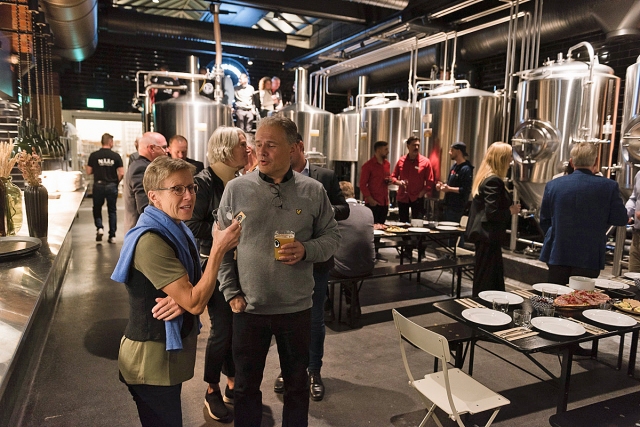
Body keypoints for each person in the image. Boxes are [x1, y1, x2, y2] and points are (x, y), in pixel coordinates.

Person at [217, 116, 340, 427]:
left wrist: (306, 250)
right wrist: (231, 292)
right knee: (245, 388)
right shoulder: (236, 189)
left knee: (297, 387)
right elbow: (222, 247)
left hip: (296, 310)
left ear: (293, 148)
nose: (261, 151)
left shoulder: (313, 191)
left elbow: (332, 237)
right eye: (258, 144)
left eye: (270, 145)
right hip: (249, 309)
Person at [111, 155, 242, 427]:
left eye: (191, 187)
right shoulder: (150, 240)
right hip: (150, 363)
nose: (189, 196)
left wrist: (183, 298)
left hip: (165, 359)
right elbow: (196, 302)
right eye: (177, 189)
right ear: (154, 196)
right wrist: (218, 249)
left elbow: (192, 291)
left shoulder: (177, 229)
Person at [272, 133, 349, 401]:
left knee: (314, 320)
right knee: (286, 321)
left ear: (298, 147)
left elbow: (344, 209)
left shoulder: (324, 177)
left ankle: (313, 370)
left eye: (284, 149)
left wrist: (319, 210)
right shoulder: (276, 177)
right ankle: (288, 370)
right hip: (285, 260)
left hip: (316, 261)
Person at [185, 126, 248, 423]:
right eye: (242, 144)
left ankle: (232, 383)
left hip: (237, 264)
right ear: (225, 149)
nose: (248, 149)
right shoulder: (203, 183)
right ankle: (212, 389)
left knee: (235, 329)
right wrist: (221, 233)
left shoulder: (238, 181)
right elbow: (189, 225)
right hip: (212, 265)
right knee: (222, 330)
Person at [540, 142, 627, 284]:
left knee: (556, 294)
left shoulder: (553, 185)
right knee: (583, 296)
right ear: (596, 162)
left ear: (571, 162)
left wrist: (557, 236)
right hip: (589, 255)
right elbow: (621, 219)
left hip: (557, 252)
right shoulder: (609, 186)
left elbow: (544, 220)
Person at [467, 142, 521, 296]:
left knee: (485, 276)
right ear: (501, 159)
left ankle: (483, 304)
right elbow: (492, 213)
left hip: (485, 237)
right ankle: (484, 305)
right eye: (509, 157)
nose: (511, 161)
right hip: (488, 237)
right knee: (488, 280)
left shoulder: (485, 177)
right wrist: (510, 210)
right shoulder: (493, 181)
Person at [329, 181, 376, 316]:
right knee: (348, 255)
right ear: (353, 194)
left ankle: (326, 306)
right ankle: (352, 304)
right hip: (368, 265)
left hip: (344, 268)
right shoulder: (368, 211)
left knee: (319, 262)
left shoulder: (337, 212)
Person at [123, 132, 167, 232]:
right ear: (151, 148)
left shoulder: (140, 166)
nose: (167, 151)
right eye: (164, 147)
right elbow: (145, 206)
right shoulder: (142, 169)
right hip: (144, 232)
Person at [86, 133, 124, 243]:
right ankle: (112, 236)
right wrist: (115, 182)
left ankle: (99, 228)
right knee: (112, 210)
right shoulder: (116, 156)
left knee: (97, 208)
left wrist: (98, 169)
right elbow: (121, 173)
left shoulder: (94, 155)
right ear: (110, 142)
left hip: (98, 185)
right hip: (111, 185)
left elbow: (88, 171)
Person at [391, 136, 434, 223]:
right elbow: (392, 177)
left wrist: (421, 193)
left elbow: (430, 181)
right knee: (403, 224)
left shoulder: (425, 162)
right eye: (414, 145)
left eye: (418, 145)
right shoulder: (401, 161)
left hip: (417, 198)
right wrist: (399, 182)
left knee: (417, 224)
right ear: (408, 146)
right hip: (403, 197)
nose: (416, 147)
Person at [436, 141, 473, 223]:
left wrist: (449, 189)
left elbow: (466, 190)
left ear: (458, 151)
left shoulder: (466, 169)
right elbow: (450, 185)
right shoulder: (454, 166)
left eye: (452, 150)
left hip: (457, 208)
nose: (449, 152)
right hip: (448, 206)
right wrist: (442, 185)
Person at [359, 140, 391, 225]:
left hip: (384, 202)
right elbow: (362, 184)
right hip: (373, 203)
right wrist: (370, 199)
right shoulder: (368, 165)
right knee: (372, 228)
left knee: (382, 227)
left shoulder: (387, 164)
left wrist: (390, 180)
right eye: (386, 149)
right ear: (379, 150)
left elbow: (388, 177)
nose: (388, 152)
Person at [626, 170, 640, 272]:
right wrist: (627, 212)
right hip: (637, 235)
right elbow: (634, 198)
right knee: (632, 275)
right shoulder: (639, 174)